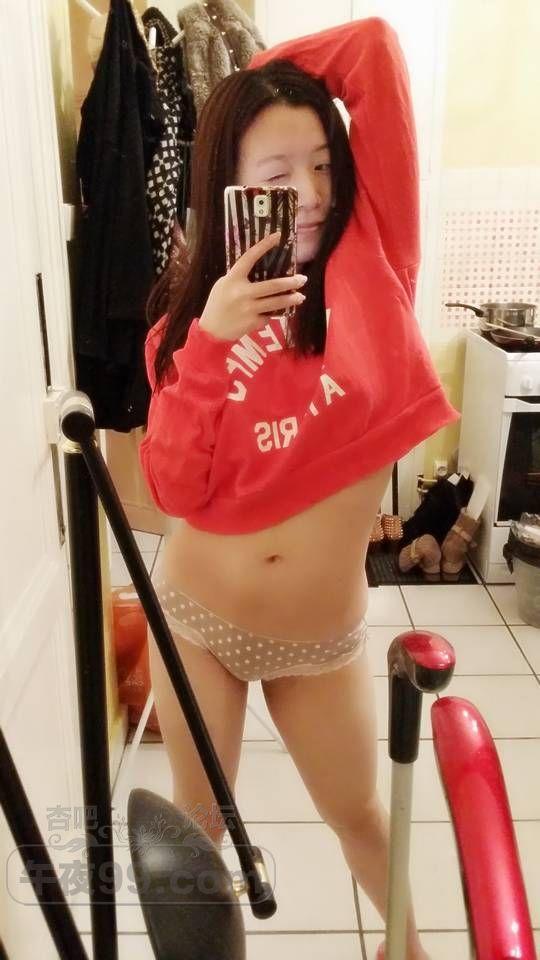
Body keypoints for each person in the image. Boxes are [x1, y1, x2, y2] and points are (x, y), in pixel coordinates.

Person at [140, 17, 460, 960]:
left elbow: (372, 49)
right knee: (198, 836)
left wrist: (257, 84)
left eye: (323, 165)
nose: (311, 195)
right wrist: (212, 340)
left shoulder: (375, 256)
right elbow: (172, 490)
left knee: (360, 815)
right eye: (277, 177)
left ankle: (409, 951)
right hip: (200, 617)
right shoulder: (185, 324)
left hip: (319, 636)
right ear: (229, 189)